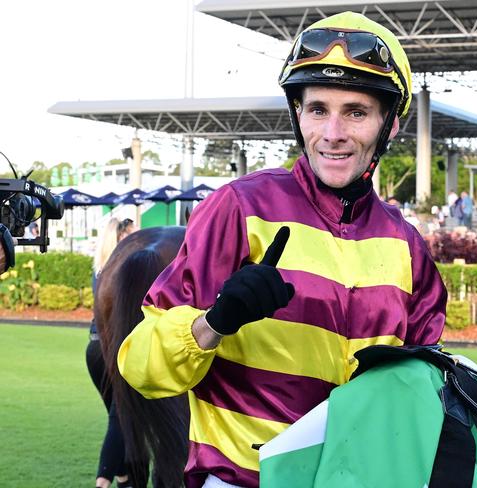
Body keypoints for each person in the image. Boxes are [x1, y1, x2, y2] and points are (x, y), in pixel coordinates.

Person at [117, 12, 447, 488]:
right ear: (298, 114)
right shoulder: (238, 208)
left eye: (356, 112)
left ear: (390, 125)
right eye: (318, 109)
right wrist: (214, 322)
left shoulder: (407, 245)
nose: (333, 133)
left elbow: (418, 389)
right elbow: (140, 365)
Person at [86, 217, 136, 488]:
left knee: (119, 421)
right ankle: (103, 481)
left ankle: (124, 477)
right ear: (119, 239)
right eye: (131, 236)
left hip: (94, 349)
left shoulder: (100, 270)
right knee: (121, 420)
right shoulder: (127, 269)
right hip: (115, 349)